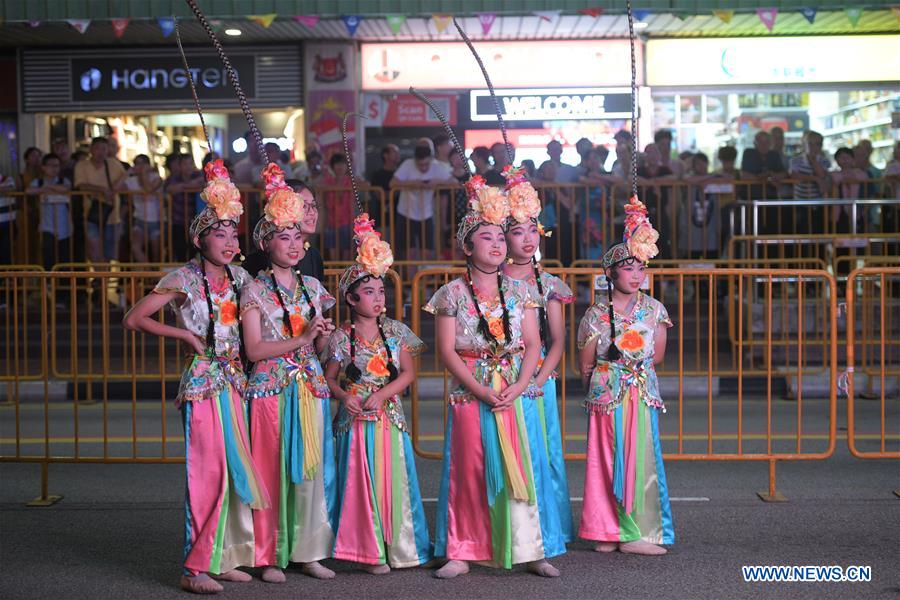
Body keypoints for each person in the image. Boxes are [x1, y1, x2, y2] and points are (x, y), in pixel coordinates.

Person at [123, 160, 268, 594]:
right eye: (219, 234)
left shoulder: (242, 277)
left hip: (236, 381)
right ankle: (194, 568)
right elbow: (136, 318)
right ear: (200, 239)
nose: (228, 242)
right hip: (204, 382)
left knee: (233, 472)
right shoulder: (183, 277)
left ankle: (222, 557)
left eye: (232, 234)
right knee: (206, 474)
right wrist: (184, 334)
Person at [424, 176, 558, 579]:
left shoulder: (522, 291)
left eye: (501, 237)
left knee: (522, 464)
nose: (498, 245)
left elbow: (534, 343)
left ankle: (529, 548)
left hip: (514, 388)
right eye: (487, 238)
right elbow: (447, 350)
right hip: (472, 390)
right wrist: (480, 389)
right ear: (467, 247)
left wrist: (518, 386)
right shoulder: (451, 293)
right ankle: (462, 549)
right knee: (470, 468)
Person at [241, 163, 338, 583]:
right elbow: (255, 349)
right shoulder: (253, 289)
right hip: (269, 389)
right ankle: (268, 553)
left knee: (311, 470)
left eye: (298, 236)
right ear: (267, 242)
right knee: (272, 469)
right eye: (285, 236)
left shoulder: (314, 289)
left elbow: (317, 348)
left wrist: (322, 336)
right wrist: (302, 340)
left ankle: (309, 550)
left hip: (310, 386)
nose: (295, 244)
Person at [325, 213, 432, 574]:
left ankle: (400, 547)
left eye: (381, 290)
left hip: (387, 417)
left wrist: (384, 393)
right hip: (353, 419)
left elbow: (409, 373)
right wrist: (344, 397)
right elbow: (329, 379)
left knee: (393, 480)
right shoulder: (341, 337)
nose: (377, 297)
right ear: (352, 299)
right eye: (369, 292)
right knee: (358, 481)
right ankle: (367, 550)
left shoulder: (397, 331)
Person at [578, 198, 674, 556]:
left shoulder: (654, 310)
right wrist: (606, 375)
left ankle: (639, 531)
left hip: (641, 390)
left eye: (640, 269)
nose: (636, 275)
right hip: (606, 392)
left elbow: (658, 355)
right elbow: (584, 363)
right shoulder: (596, 314)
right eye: (628, 268)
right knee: (603, 458)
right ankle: (605, 529)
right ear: (611, 274)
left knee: (640, 458)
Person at [502, 167, 574, 558]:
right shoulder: (490, 281)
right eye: (518, 232)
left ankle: (551, 527)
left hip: (539, 376)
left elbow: (557, 341)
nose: (527, 239)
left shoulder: (549, 283)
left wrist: (538, 380)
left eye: (533, 230)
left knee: (542, 450)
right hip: (499, 372)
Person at [243, 179, 324, 281]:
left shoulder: (314, 256)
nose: (312, 212)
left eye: (313, 205)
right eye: (303, 206)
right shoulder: (258, 260)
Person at [390, 144, 453, 260]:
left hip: (426, 213)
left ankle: (425, 276)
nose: (423, 168)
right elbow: (392, 183)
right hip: (406, 212)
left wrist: (437, 182)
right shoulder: (407, 164)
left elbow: (454, 182)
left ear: (431, 159)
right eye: (420, 165)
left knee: (428, 251)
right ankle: (411, 278)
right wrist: (413, 183)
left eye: (426, 164)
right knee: (410, 252)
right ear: (415, 160)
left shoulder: (437, 166)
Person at [74, 137, 127, 262]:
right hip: (91, 212)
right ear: (91, 149)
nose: (101, 152)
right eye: (97, 148)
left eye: (104, 149)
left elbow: (125, 185)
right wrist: (103, 190)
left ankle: (103, 278)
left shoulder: (114, 164)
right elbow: (81, 185)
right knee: (94, 247)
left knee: (108, 251)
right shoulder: (82, 166)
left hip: (112, 215)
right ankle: (99, 277)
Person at [27, 153, 72, 269]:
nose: (54, 168)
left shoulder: (63, 180)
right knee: (48, 255)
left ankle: (63, 284)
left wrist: (49, 188)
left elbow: (67, 188)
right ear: (43, 167)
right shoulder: (39, 182)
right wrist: (44, 188)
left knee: (64, 258)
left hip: (64, 225)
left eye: (57, 165)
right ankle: (48, 282)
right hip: (46, 225)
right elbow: (29, 191)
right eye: (51, 165)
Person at [165, 154, 205, 261]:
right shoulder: (174, 177)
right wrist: (190, 185)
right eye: (185, 164)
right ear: (180, 166)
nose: (188, 167)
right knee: (180, 250)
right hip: (178, 220)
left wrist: (182, 186)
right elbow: (170, 189)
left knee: (195, 248)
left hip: (195, 220)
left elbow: (202, 184)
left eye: (190, 163)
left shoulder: (198, 175)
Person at [789, 130, 831, 233]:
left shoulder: (824, 160)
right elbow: (794, 175)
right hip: (800, 204)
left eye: (817, 144)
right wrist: (815, 179)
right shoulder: (795, 160)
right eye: (810, 144)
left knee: (819, 232)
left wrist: (813, 161)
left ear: (821, 146)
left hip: (819, 204)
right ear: (804, 144)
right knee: (801, 233)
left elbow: (821, 174)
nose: (813, 147)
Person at [125, 154, 163, 262]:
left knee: (156, 253)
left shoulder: (156, 178)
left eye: (142, 163)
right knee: (135, 247)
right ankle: (149, 274)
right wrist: (127, 173)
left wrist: (143, 174)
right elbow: (115, 188)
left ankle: (155, 276)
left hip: (156, 221)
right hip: (139, 220)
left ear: (148, 165)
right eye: (137, 164)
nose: (139, 166)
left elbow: (148, 190)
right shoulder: (132, 180)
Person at [320, 153, 356, 260]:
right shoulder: (327, 181)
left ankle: (345, 275)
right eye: (337, 164)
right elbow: (319, 188)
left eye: (343, 164)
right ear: (332, 166)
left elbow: (367, 184)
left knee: (347, 252)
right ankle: (333, 276)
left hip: (347, 221)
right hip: (331, 221)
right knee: (332, 253)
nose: (340, 166)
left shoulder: (351, 181)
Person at [831, 147, 868, 233]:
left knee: (858, 234)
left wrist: (847, 177)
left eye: (847, 157)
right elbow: (835, 179)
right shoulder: (835, 174)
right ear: (837, 161)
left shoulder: (859, 172)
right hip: (840, 211)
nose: (845, 160)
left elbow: (864, 177)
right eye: (841, 157)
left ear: (853, 159)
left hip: (857, 208)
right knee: (841, 235)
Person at [0, 171, 16, 264]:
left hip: (8, 224)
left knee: (6, 252)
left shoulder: (7, 179)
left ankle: (6, 278)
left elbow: (11, 189)